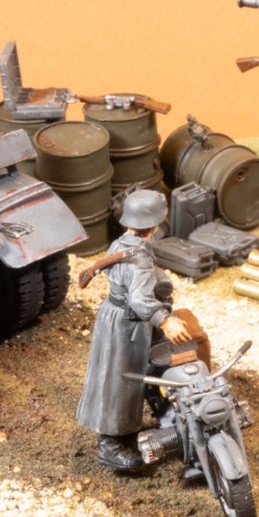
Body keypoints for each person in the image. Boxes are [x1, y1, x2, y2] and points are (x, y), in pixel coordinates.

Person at [77, 190, 196, 472]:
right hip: (127, 324)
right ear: (154, 225)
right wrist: (165, 321)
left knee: (142, 370)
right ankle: (110, 447)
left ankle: (158, 416)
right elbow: (140, 299)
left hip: (117, 318)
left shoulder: (122, 244)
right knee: (120, 381)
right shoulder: (138, 258)